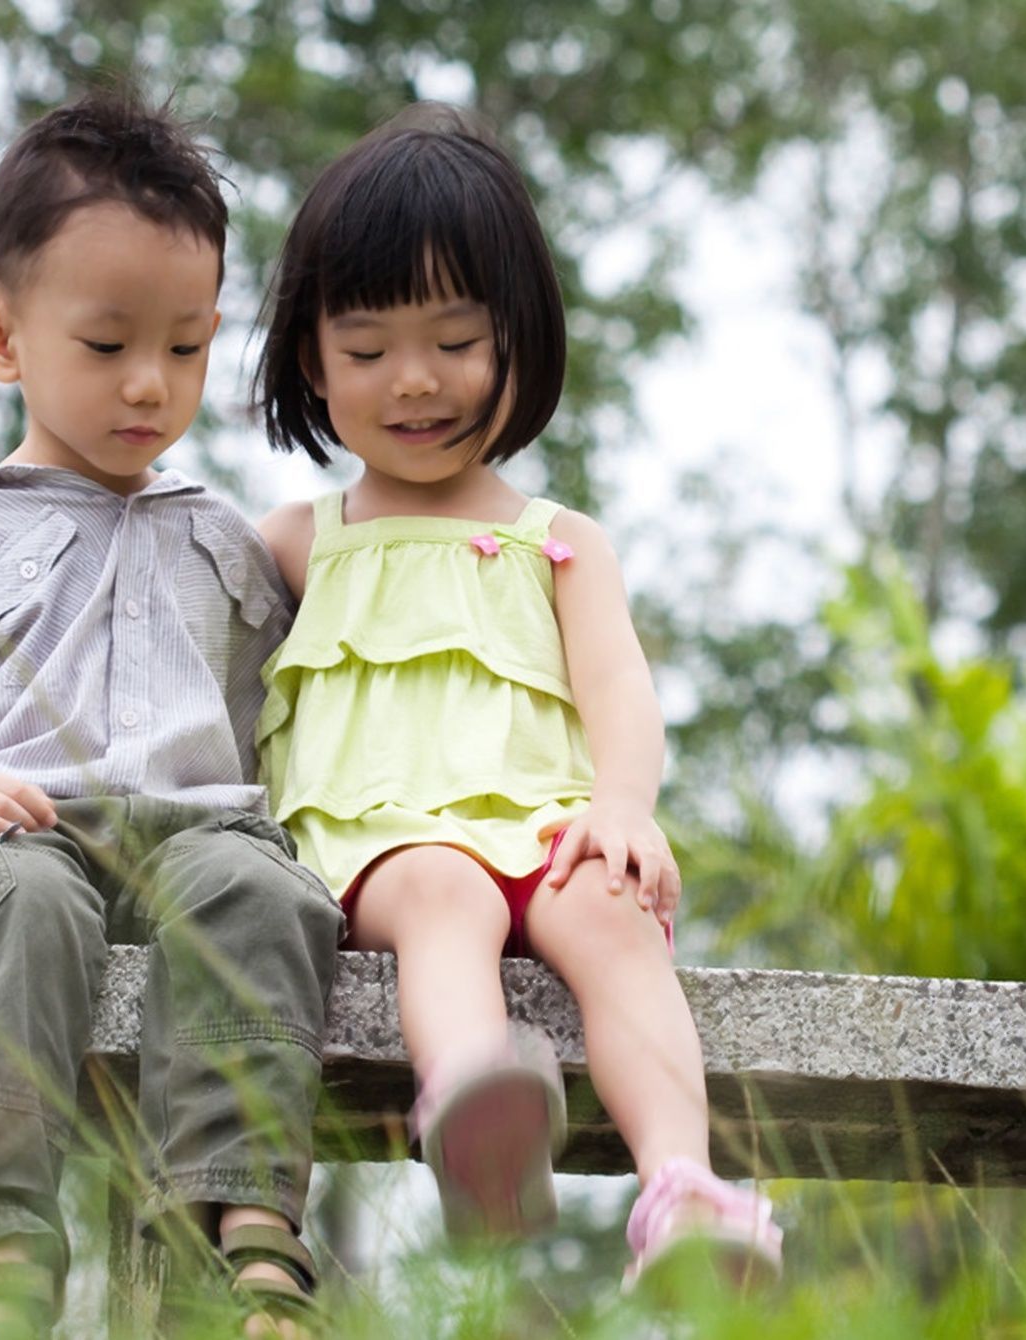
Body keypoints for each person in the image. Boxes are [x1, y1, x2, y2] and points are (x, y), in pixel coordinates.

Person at [0, 92, 341, 1337]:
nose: (150, 385)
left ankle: (248, 1221)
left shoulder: (224, 538)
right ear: (0, 339)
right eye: (107, 346)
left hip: (191, 833)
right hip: (4, 843)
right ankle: (0, 1243)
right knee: (25, 902)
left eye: (187, 345)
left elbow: (271, 722)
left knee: (262, 891)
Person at [252, 103, 782, 1292]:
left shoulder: (559, 540)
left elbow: (617, 686)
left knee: (609, 914)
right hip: (378, 841)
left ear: (516, 342)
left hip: (542, 822)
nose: (415, 381)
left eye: (455, 339)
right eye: (369, 346)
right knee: (442, 888)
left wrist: (624, 806)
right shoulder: (296, 543)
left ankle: (681, 1186)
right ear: (310, 359)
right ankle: (479, 1106)